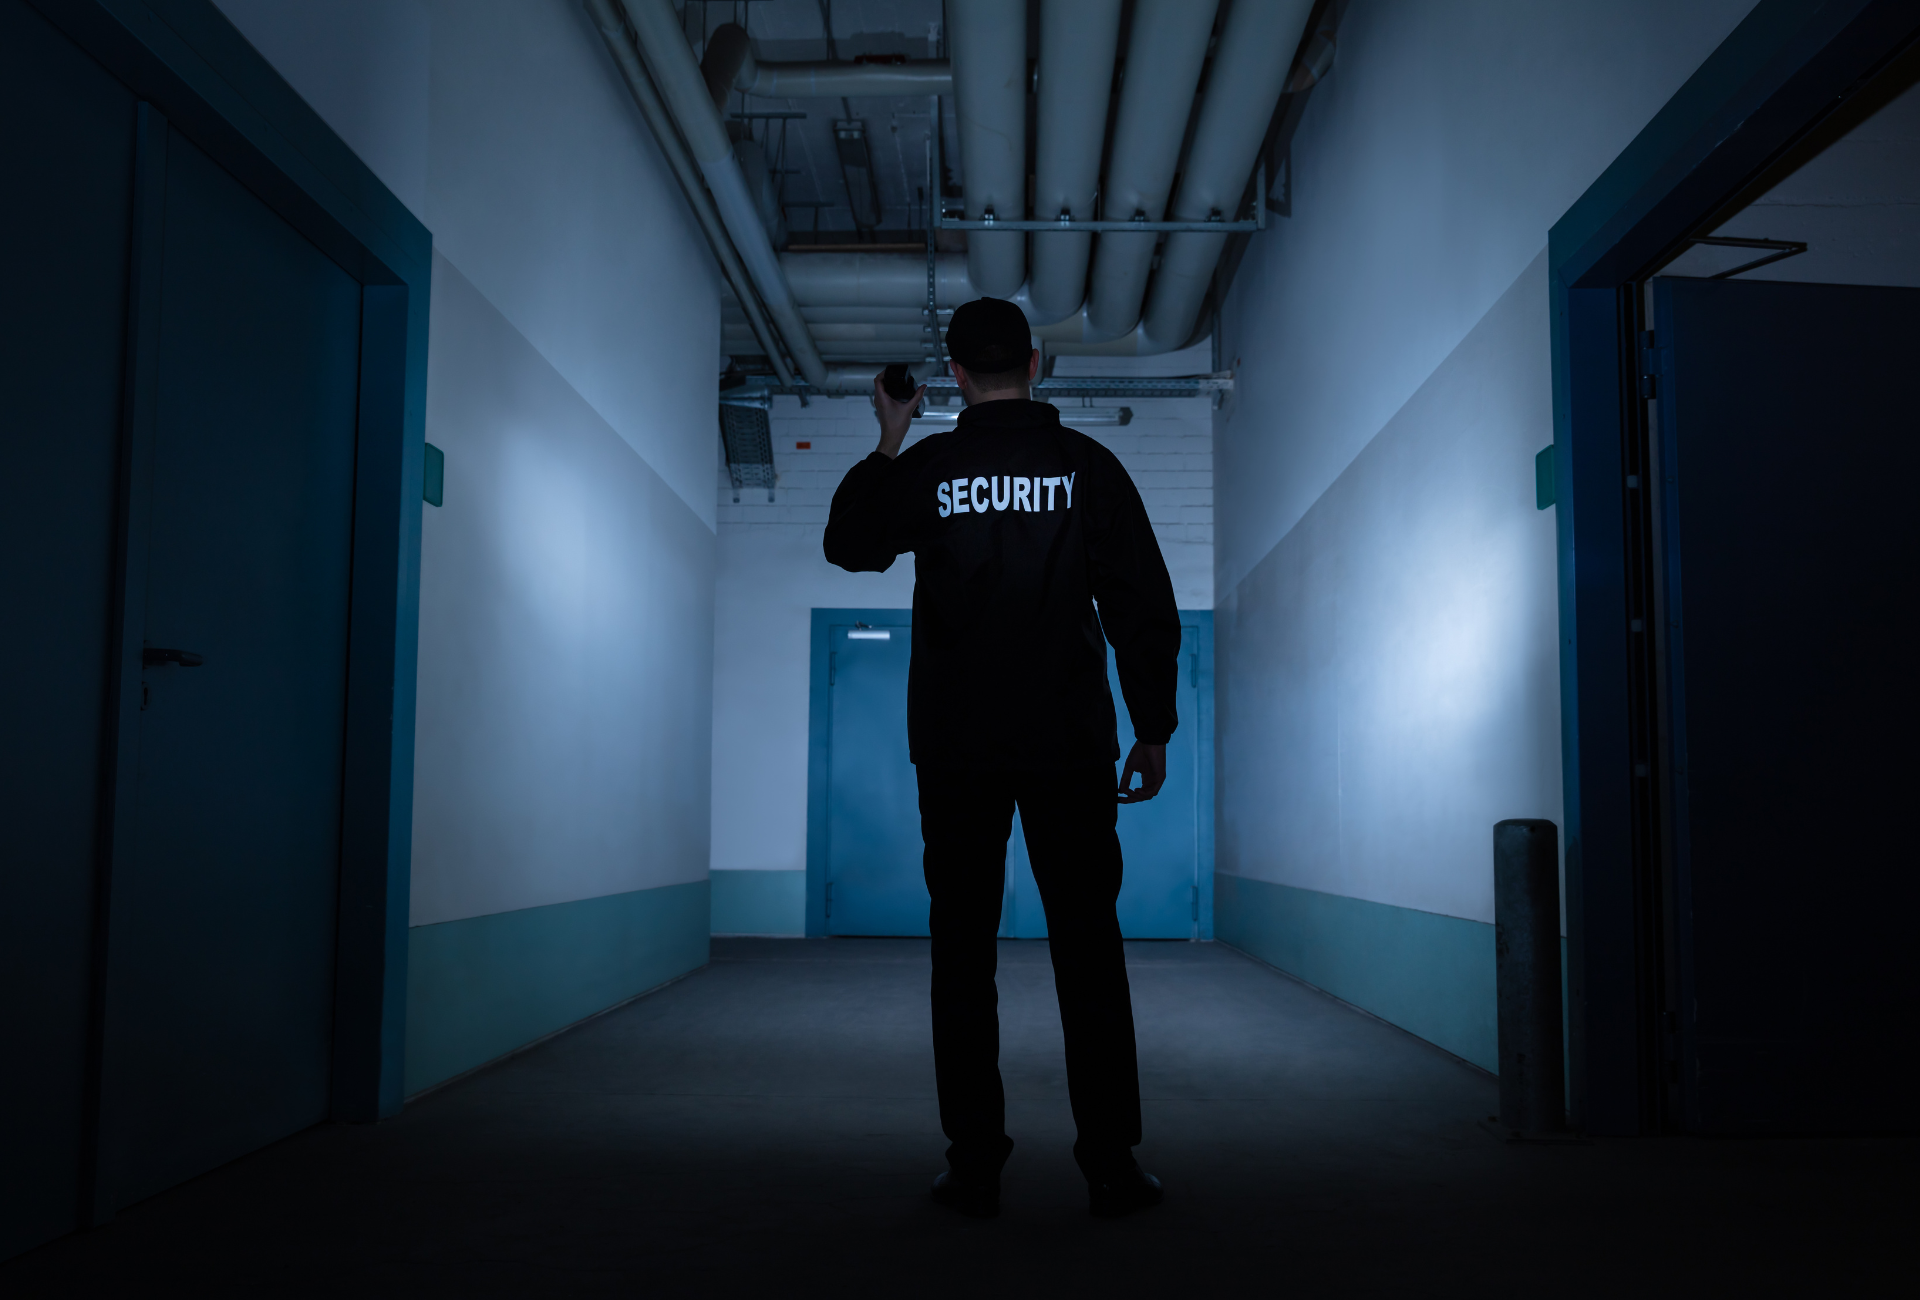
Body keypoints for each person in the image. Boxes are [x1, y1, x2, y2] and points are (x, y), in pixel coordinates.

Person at [823, 297, 1182, 1219]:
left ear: (951, 374)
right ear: (1037, 362)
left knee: (962, 953)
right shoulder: (1086, 467)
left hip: (958, 748)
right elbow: (1140, 599)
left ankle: (974, 1163)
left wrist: (889, 438)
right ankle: (1110, 1164)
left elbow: (849, 544)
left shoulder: (934, 466)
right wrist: (1153, 726)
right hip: (1068, 745)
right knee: (1089, 954)